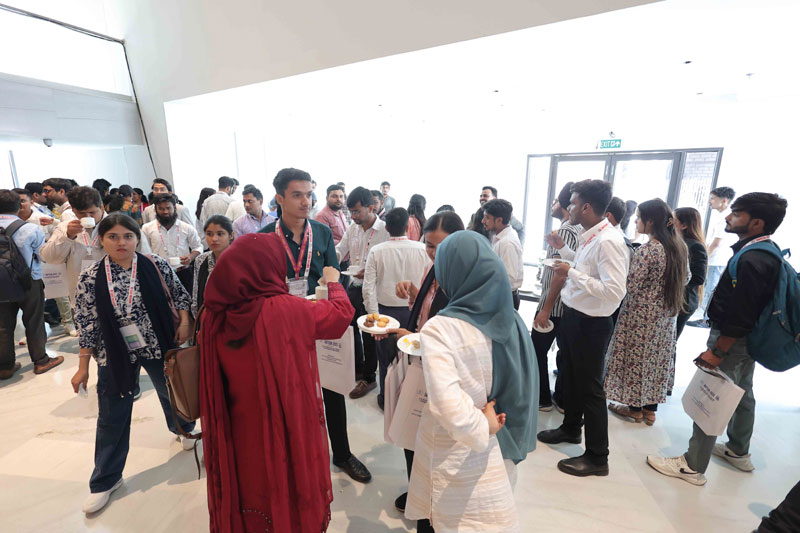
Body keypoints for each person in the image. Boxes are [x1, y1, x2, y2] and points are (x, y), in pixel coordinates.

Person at [199, 233, 352, 532]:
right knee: (285, 470)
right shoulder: (285, 309)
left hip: (236, 420)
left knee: (248, 477)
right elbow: (339, 316)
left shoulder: (212, 314)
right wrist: (333, 283)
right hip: (284, 415)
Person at [647, 192, 787, 486]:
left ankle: (692, 465)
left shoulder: (753, 258)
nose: (728, 217)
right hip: (747, 340)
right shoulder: (765, 250)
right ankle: (738, 450)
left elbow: (742, 311)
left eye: (737, 213)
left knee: (713, 398)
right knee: (742, 393)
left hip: (732, 341)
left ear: (757, 222)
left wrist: (719, 351)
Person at [405, 231, 538, 533]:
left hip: (456, 447)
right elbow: (527, 386)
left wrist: (482, 427)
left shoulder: (441, 328)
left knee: (444, 518)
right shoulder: (511, 319)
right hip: (503, 442)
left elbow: (448, 407)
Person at [70, 214, 196, 514]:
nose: (121, 243)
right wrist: (83, 366)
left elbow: (180, 295)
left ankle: (183, 428)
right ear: (101, 240)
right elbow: (87, 323)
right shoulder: (91, 277)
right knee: (112, 412)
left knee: (171, 392)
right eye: (113, 236)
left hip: (158, 342)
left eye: (127, 236)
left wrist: (185, 323)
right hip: (114, 351)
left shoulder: (155, 264)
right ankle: (106, 479)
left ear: (137, 238)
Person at [260, 168, 372, 483]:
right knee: (286, 394)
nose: (306, 201)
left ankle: (342, 453)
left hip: (318, 324)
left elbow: (332, 274)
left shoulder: (321, 233)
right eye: (297, 195)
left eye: (309, 194)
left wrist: (328, 287)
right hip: (282, 328)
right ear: (280, 198)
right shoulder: (265, 237)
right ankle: (293, 457)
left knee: (332, 389)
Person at [536, 179, 629, 477]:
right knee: (572, 378)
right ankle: (571, 428)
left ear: (586, 207)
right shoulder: (592, 235)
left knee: (590, 389)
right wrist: (563, 250)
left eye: (573, 203)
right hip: (575, 316)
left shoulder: (609, 241)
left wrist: (571, 273)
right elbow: (584, 266)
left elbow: (614, 291)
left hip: (592, 323)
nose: (569, 207)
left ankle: (598, 457)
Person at [382, 211, 463, 522]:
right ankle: (418, 489)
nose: (434, 252)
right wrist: (415, 293)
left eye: (442, 246)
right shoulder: (433, 269)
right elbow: (428, 311)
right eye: (429, 245)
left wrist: (413, 336)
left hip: (441, 368)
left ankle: (431, 500)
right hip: (418, 360)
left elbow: (454, 333)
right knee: (412, 431)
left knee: (433, 438)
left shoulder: (461, 280)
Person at [605, 199, 688, 425]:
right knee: (656, 360)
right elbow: (687, 278)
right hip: (666, 315)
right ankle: (650, 410)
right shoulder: (679, 247)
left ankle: (635, 408)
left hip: (641, 316)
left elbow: (631, 285)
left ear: (650, 222)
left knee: (636, 360)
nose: (635, 221)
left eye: (639, 218)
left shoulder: (648, 250)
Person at [41, 187, 153, 309]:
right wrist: (67, 236)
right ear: (73, 210)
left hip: (121, 295)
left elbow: (145, 258)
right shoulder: (65, 228)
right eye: (81, 214)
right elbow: (49, 258)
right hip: (81, 297)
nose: (88, 217)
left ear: (102, 207)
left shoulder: (122, 225)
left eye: (92, 212)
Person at [363, 208, 430, 408]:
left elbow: (368, 287)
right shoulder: (423, 249)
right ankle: (410, 402)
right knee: (414, 359)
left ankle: (387, 399)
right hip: (415, 312)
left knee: (386, 360)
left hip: (385, 313)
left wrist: (373, 316)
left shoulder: (377, 251)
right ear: (408, 226)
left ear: (386, 228)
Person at [0, 190, 64, 380]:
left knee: (3, 325)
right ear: (18, 206)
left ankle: (5, 367)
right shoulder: (30, 229)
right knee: (34, 321)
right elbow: (42, 255)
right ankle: (41, 361)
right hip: (29, 281)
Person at [336, 186, 390, 399]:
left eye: (357, 211)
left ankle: (369, 377)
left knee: (369, 333)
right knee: (349, 328)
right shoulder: (353, 228)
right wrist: (331, 258)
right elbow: (341, 249)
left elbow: (387, 262)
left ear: (371, 208)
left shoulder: (385, 230)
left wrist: (368, 271)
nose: (353, 216)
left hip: (373, 290)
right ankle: (358, 366)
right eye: (351, 212)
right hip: (354, 286)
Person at [533, 183, 580, 412]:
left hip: (555, 304)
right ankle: (561, 398)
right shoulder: (577, 230)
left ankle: (542, 398)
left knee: (536, 350)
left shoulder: (565, 232)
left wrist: (546, 308)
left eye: (554, 201)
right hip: (565, 303)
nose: (552, 205)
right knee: (564, 353)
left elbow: (560, 274)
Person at [689, 186, 736, 327]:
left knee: (711, 289)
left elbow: (716, 243)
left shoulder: (725, 218)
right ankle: (705, 317)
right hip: (715, 260)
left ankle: (706, 319)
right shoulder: (720, 216)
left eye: (712, 198)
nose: (709, 201)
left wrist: (704, 259)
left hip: (716, 260)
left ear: (724, 200)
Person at [141, 194, 203, 292]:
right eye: (161, 209)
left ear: (174, 208)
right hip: (158, 273)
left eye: (168, 208)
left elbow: (198, 247)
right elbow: (144, 251)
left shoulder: (187, 228)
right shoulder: (147, 228)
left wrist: (190, 257)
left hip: (183, 272)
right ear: (155, 209)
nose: (165, 212)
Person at [482, 198, 524, 310]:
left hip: (504, 298)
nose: (483, 221)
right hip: (499, 295)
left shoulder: (507, 243)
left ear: (499, 220)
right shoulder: (499, 235)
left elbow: (508, 280)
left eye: (487, 218)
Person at [674, 207, 708, 339]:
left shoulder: (695, 246)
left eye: (673, 220)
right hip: (677, 299)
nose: (669, 223)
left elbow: (699, 278)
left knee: (670, 341)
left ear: (684, 225)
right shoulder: (677, 242)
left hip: (684, 301)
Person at [192, 215, 234, 317]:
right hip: (206, 316)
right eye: (209, 234)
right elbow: (196, 294)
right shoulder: (201, 260)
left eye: (220, 234)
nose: (214, 239)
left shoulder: (239, 260)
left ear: (231, 235)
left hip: (233, 316)